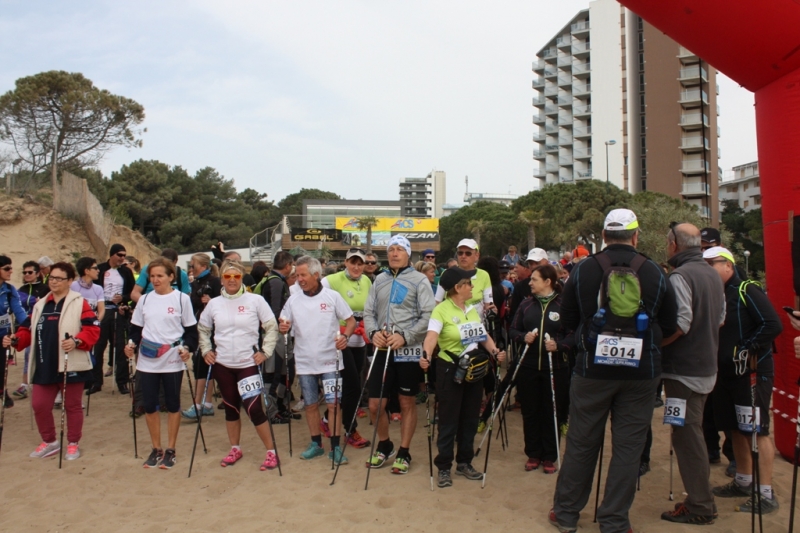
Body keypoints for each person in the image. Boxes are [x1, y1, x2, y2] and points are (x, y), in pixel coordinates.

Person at [550, 209, 677, 533]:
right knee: (628, 448)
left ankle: (566, 514)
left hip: (592, 369)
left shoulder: (583, 270)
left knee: (581, 442)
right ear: (635, 236)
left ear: (604, 237)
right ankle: (614, 520)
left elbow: (566, 320)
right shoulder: (653, 271)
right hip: (641, 373)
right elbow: (670, 324)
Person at [704, 246, 783, 514]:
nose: (707, 269)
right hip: (724, 373)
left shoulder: (747, 288)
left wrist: (746, 346)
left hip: (751, 373)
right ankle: (743, 481)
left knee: (757, 430)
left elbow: (772, 324)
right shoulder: (716, 293)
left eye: (711, 263)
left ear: (727, 264)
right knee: (733, 427)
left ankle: (766, 493)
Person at [658, 224, 726, 525]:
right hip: (705, 367)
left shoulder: (680, 276)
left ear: (674, 245)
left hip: (683, 371)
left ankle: (701, 506)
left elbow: (681, 322)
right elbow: (720, 318)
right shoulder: (712, 273)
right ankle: (698, 501)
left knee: (687, 438)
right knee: (690, 433)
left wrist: (657, 344)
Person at [4, 261, 100, 460]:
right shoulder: (40, 305)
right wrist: (15, 340)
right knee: (39, 405)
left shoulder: (78, 303)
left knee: (72, 405)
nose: (54, 281)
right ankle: (50, 442)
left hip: (70, 363)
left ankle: (73, 443)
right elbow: (26, 330)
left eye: (59, 278)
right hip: (43, 364)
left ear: (70, 281)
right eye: (52, 278)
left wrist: (77, 341)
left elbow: (92, 329)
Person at [421, 267, 506, 488]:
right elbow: (432, 336)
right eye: (468, 283)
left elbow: (482, 335)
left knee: (470, 419)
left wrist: (495, 351)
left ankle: (465, 462)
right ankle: (444, 467)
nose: (472, 287)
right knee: (449, 420)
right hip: (450, 370)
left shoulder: (471, 310)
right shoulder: (441, 310)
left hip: (474, 370)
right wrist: (426, 354)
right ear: (457, 288)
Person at [197, 260, 281, 470]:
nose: (232, 281)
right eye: (227, 277)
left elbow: (272, 327)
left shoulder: (255, 300)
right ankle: (235, 448)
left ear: (241, 278)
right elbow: (203, 329)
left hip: (247, 363)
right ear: (222, 279)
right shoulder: (214, 304)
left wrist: (265, 352)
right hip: (223, 364)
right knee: (231, 408)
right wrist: (206, 350)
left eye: (236, 277)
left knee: (254, 409)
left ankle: (271, 452)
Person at [363, 235, 435, 474]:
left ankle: (404, 451)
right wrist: (373, 332)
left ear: (408, 254)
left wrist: (406, 335)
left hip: (408, 350)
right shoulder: (379, 279)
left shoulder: (419, 280)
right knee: (375, 404)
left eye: (399, 250)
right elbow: (368, 311)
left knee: (406, 402)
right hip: (382, 348)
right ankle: (385, 445)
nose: (394, 253)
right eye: (391, 249)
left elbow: (428, 315)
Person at [278, 256, 356, 465]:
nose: (299, 279)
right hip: (304, 362)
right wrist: (283, 327)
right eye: (296, 275)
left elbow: (350, 320)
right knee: (311, 405)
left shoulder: (332, 296)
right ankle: (316, 444)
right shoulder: (293, 299)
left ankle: (336, 447)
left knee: (333, 405)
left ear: (315, 275)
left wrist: (346, 337)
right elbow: (283, 322)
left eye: (303, 275)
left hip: (331, 360)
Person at [124, 257, 197, 469]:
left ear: (171, 277)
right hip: (147, 360)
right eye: (152, 276)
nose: (155, 280)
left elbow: (191, 333)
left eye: (160, 276)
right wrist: (130, 344)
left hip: (173, 359)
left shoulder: (182, 299)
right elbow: (136, 329)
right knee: (149, 405)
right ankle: (156, 449)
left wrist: (187, 349)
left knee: (173, 404)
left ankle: (171, 449)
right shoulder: (145, 300)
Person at [509, 264, 573, 474]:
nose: (530, 283)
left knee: (552, 411)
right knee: (530, 411)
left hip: (555, 367)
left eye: (534, 279)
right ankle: (533, 453)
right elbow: (513, 329)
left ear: (548, 282)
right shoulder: (526, 304)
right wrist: (522, 337)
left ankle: (549, 455)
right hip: (528, 367)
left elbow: (573, 334)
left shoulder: (564, 305)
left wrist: (559, 345)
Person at [321, 248, 372, 449]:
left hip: (360, 340)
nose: (357, 267)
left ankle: (327, 419)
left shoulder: (367, 281)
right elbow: (314, 299)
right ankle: (350, 430)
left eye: (360, 263)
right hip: (340, 342)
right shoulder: (332, 280)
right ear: (346, 262)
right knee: (353, 387)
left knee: (350, 388)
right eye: (353, 262)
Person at [181, 253, 222, 420]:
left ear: (204, 266)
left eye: (194, 266)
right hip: (198, 326)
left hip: (210, 330)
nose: (191, 269)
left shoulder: (215, 282)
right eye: (190, 266)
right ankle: (206, 404)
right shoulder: (195, 282)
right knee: (202, 365)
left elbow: (223, 302)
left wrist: (211, 301)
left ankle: (199, 404)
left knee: (203, 365)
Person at [256, 251, 295, 422]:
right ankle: (272, 412)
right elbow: (275, 311)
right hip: (276, 335)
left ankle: (280, 407)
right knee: (274, 373)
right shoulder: (276, 283)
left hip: (275, 333)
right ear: (287, 266)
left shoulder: (271, 280)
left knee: (285, 372)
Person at [92, 244, 136, 394]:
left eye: (124, 255)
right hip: (103, 311)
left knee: (120, 347)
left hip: (119, 312)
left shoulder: (126, 272)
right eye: (119, 255)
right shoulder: (100, 269)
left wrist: (123, 298)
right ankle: (96, 382)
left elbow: (132, 292)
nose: (122, 258)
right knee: (98, 347)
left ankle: (122, 382)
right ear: (111, 255)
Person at [13, 261, 49, 399]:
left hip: (41, 326)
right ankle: (25, 385)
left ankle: (44, 385)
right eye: (24, 272)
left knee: (41, 356)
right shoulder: (20, 290)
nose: (27, 275)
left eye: (30, 272)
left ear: (38, 273)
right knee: (28, 354)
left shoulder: (45, 288)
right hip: (24, 326)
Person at [435, 239, 494, 320]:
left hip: (477, 323)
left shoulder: (484, 275)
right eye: (460, 253)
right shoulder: (447, 273)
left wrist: (492, 311)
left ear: (477, 255)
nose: (463, 256)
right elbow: (437, 301)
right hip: (452, 321)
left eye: (468, 253)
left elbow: (489, 304)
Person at [0, 255, 28, 407]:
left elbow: (18, 310)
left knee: (1, 366)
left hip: (3, 336)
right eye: (6, 268)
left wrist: (29, 325)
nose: (11, 271)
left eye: (11, 268)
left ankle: (1, 391)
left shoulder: (10, 290)